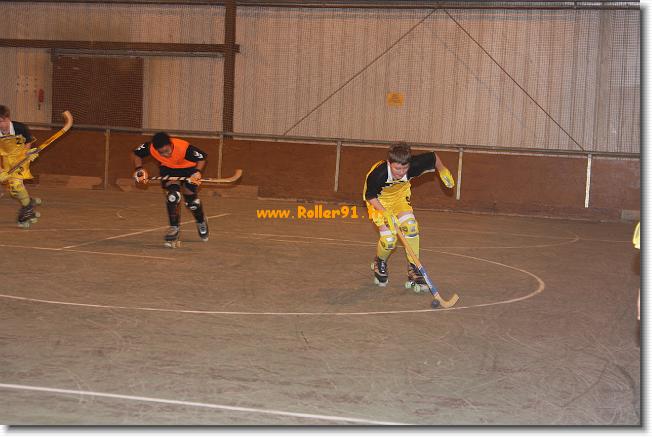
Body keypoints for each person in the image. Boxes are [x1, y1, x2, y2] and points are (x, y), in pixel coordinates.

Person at [364, 142, 455, 295]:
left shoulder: (414, 165)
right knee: (389, 240)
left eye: (404, 168)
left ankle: (414, 269)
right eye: (397, 169)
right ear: (389, 163)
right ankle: (379, 261)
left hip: (399, 198)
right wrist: (385, 213)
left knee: (411, 227)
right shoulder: (378, 174)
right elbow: (370, 196)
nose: (401, 173)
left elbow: (433, 157)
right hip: (378, 201)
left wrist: (442, 169)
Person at [132, 132, 209, 247]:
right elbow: (136, 154)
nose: (165, 154)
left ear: (171, 144)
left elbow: (202, 158)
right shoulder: (150, 147)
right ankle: (174, 228)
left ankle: (201, 220)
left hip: (189, 169)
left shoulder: (183, 148)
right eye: (161, 153)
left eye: (167, 151)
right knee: (173, 197)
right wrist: (139, 169)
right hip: (168, 169)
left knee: (192, 203)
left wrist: (197, 172)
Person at [0, 105, 41, 227]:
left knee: (16, 186)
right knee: (13, 192)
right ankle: (29, 203)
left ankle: (27, 211)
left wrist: (27, 154)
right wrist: (1, 171)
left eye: (1, 121)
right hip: (6, 160)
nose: (0, 125)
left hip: (21, 159)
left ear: (8, 119)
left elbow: (28, 142)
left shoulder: (20, 128)